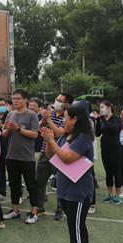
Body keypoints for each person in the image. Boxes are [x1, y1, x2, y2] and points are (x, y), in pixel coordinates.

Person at [41, 104, 95, 243]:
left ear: (75, 119)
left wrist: (51, 141)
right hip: (66, 188)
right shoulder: (67, 135)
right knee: (77, 226)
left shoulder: (83, 137)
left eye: (65, 117)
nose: (62, 120)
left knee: (76, 228)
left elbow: (67, 158)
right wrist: (49, 141)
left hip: (78, 190)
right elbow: (52, 156)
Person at [2, 89, 41, 224]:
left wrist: (18, 129)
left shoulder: (31, 115)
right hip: (11, 155)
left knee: (31, 185)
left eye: (18, 98)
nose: (15, 101)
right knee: (14, 185)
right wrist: (9, 128)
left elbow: (35, 134)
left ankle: (34, 212)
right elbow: (4, 134)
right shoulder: (10, 114)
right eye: (14, 98)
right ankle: (15, 210)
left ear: (25, 100)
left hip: (26, 156)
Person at [37, 93, 72, 221]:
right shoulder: (50, 114)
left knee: (60, 183)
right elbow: (39, 127)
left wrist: (49, 120)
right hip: (44, 151)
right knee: (40, 180)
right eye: (56, 99)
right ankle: (40, 207)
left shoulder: (67, 117)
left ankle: (60, 209)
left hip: (59, 153)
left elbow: (59, 133)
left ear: (66, 104)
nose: (56, 102)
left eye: (60, 100)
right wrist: (43, 121)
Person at [94, 100, 123, 204]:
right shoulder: (103, 119)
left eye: (103, 107)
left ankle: (118, 195)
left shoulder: (117, 118)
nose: (101, 109)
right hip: (105, 148)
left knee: (116, 171)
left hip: (115, 148)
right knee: (108, 172)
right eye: (100, 107)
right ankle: (110, 194)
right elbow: (97, 133)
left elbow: (113, 129)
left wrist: (102, 119)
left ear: (109, 107)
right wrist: (98, 120)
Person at [0, 98, 9, 199]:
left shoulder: (10, 116)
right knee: (0, 172)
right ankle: (1, 192)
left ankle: (18, 194)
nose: (1, 107)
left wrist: (1, 125)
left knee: (12, 172)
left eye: (3, 105)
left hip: (8, 147)